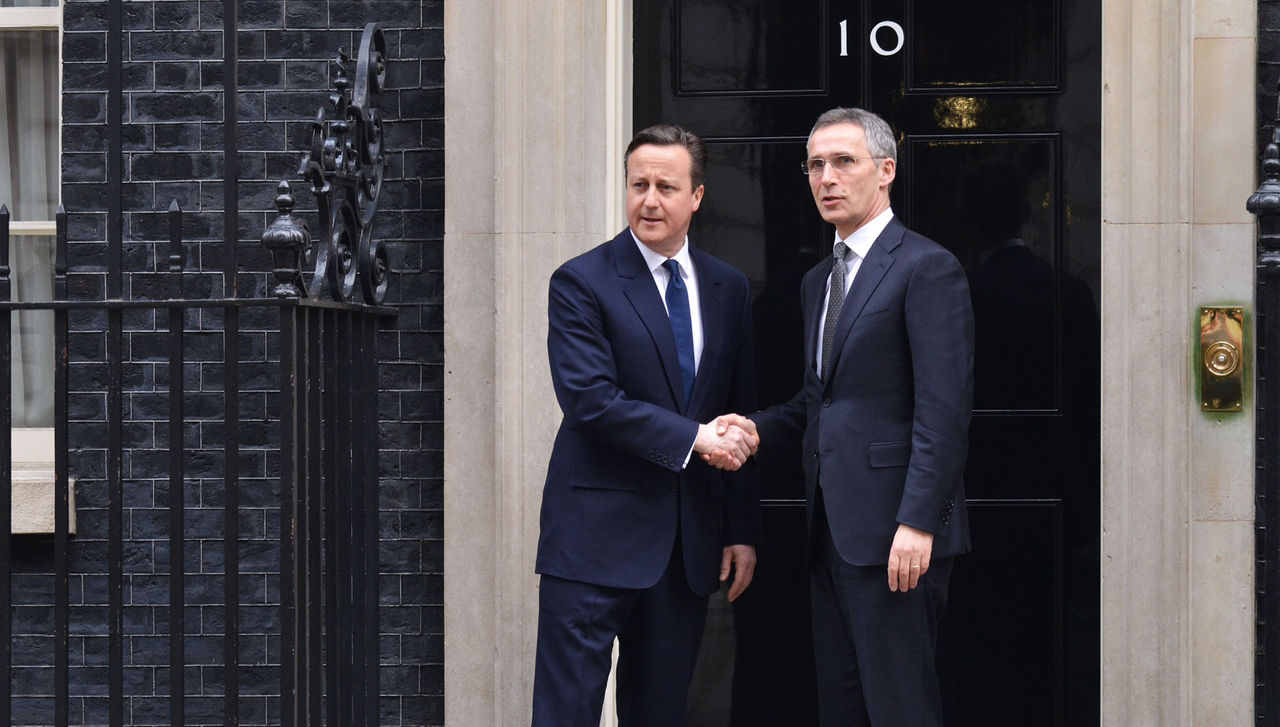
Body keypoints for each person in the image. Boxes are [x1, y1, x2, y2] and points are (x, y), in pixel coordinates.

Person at [723, 107, 974, 726]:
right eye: (815, 165)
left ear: (886, 171)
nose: (826, 178)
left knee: (900, 710)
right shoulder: (819, 281)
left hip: (897, 538)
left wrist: (919, 522)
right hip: (829, 536)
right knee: (843, 710)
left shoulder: (926, 267)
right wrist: (756, 429)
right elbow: (821, 401)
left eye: (843, 162)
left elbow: (943, 411)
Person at [532, 124, 762, 727]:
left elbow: (737, 409)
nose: (650, 201)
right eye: (639, 185)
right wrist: (695, 438)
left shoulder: (728, 287)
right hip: (591, 543)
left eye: (666, 186)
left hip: (685, 548)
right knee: (566, 715)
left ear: (698, 196)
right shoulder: (581, 281)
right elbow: (590, 400)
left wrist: (739, 529)